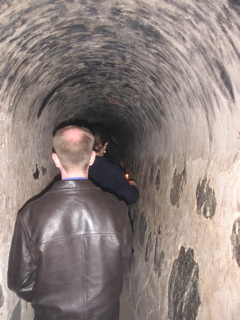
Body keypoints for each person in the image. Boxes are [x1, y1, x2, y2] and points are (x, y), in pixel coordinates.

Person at [8, 125, 133, 320]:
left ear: (56, 159)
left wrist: (48, 300)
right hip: (104, 314)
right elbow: (124, 262)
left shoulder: (30, 215)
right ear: (92, 158)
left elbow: (20, 283)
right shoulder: (118, 209)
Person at [88, 125, 139, 205]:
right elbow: (129, 197)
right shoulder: (113, 170)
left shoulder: (79, 167)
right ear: (105, 145)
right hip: (106, 213)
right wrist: (133, 186)